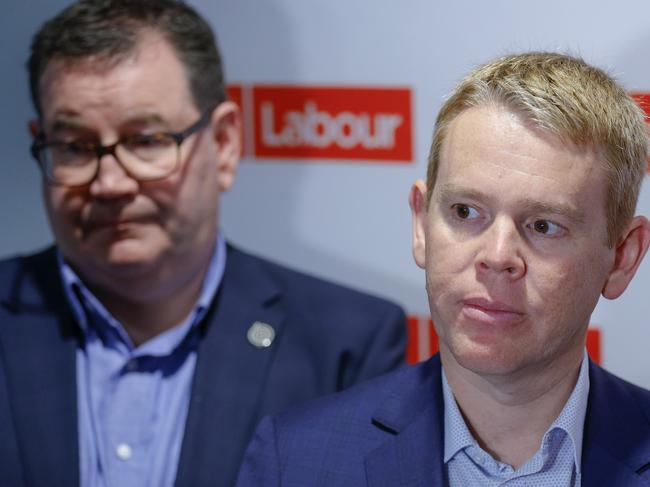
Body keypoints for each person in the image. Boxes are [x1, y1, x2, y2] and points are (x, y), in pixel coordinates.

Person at [0, 1, 407, 486]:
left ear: (225, 143)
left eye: (146, 140)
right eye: (73, 147)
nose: (109, 183)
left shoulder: (346, 346)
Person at [237, 52, 650, 486]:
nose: (497, 255)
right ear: (421, 224)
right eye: (466, 211)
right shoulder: (295, 461)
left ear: (622, 256)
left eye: (544, 226)